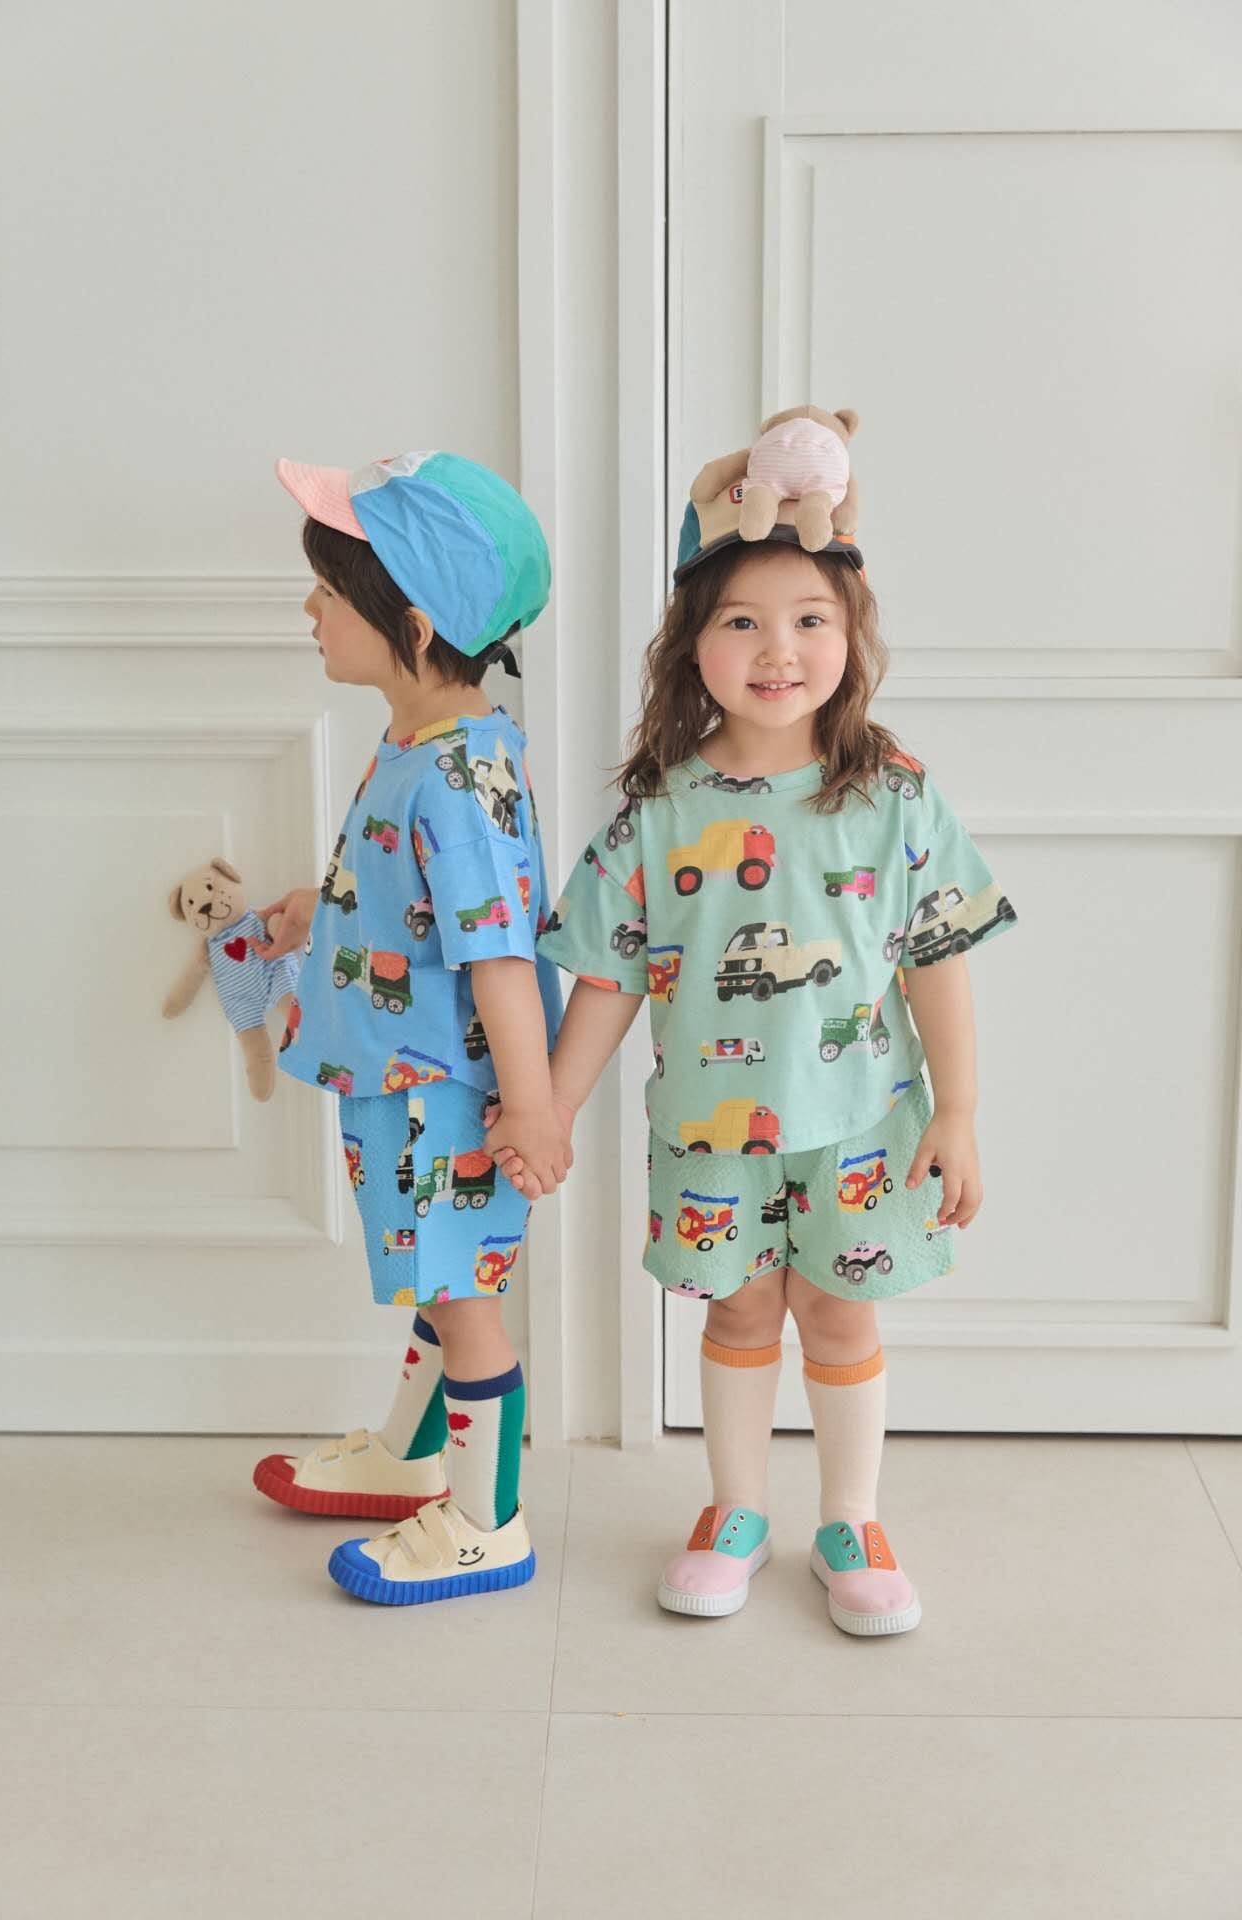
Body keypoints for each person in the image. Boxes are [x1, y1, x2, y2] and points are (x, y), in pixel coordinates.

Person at [498, 418, 1018, 1635]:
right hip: (710, 1134)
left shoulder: (892, 795)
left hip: (860, 1126)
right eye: (741, 620)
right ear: (692, 644)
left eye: (807, 619)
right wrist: (549, 1108)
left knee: (838, 1313)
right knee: (736, 1312)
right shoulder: (659, 810)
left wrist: (956, 1112)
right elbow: (609, 979)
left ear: (850, 634)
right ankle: (732, 1510)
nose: (776, 649)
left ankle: (851, 1519)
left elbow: (936, 961)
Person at [249, 449, 569, 1605]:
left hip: (444, 1098)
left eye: (329, 592)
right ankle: (408, 1455)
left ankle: (485, 1523)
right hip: (401, 1077)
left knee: (462, 1301)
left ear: (415, 628)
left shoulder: (458, 776)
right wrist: (319, 908)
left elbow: (498, 956)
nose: (310, 610)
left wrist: (528, 1108)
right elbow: (417, 901)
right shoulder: (421, 745)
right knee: (436, 1282)